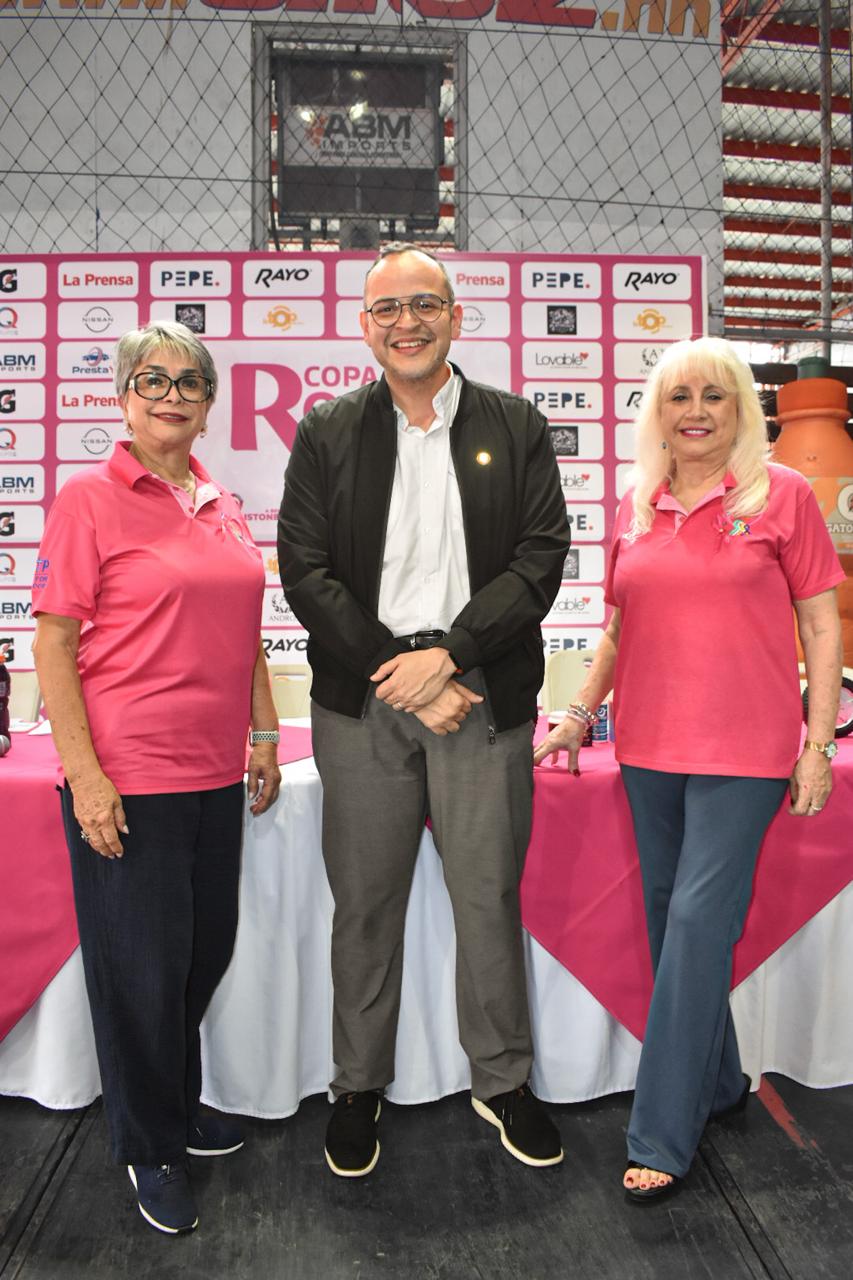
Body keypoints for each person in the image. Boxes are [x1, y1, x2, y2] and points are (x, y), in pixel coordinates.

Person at [277, 243, 571, 1177]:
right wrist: (393, 668)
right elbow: (304, 570)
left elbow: (539, 557)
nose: (406, 322)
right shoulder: (326, 431)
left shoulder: (514, 425)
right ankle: (357, 1084)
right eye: (386, 308)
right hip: (362, 700)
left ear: (455, 317)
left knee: (486, 895)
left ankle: (503, 1081)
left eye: (424, 304)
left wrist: (450, 657)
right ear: (364, 327)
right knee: (365, 905)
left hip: (479, 690)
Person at [534, 336, 844, 1202]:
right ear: (657, 414)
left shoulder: (781, 496)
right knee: (670, 920)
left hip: (745, 754)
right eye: (679, 397)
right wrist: (576, 713)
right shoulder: (637, 503)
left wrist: (816, 744)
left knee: (700, 925)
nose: (696, 412)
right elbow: (616, 629)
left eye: (715, 395)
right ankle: (717, 1083)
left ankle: (661, 1132)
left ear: (742, 408)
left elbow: (821, 624)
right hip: (647, 748)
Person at [32, 321, 281, 1235]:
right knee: (140, 970)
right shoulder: (88, 499)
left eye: (189, 382)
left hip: (214, 773)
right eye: (153, 379)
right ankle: (149, 1143)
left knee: (200, 954)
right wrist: (85, 777)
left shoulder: (219, 501)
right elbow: (54, 643)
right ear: (123, 397)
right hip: (129, 775)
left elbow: (246, 632)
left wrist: (262, 733)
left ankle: (173, 1103)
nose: (172, 394)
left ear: (209, 404)